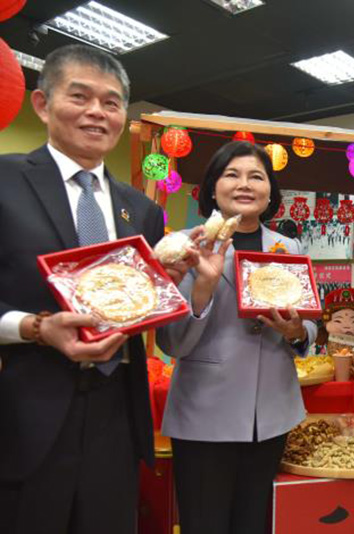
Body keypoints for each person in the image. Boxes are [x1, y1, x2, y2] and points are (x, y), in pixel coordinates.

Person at [0, 44, 173, 533]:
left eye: (112, 102)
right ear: (42, 103)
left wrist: (188, 287)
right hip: (23, 416)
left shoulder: (143, 211)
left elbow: (154, 308)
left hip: (117, 414)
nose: (97, 112)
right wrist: (33, 327)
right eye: (80, 96)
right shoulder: (4, 181)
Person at [156, 140, 316, 534]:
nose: (245, 185)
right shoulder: (184, 246)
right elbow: (171, 343)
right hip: (206, 413)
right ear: (213, 188)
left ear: (269, 192)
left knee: (254, 521)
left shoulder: (289, 248)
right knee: (205, 522)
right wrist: (203, 290)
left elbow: (311, 325)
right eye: (233, 175)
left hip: (272, 415)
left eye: (256, 177)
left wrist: (297, 331)